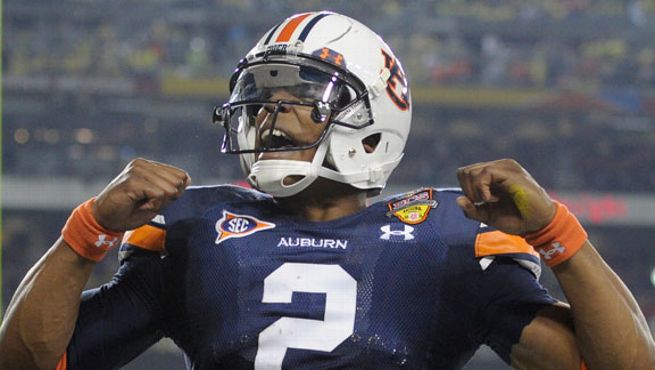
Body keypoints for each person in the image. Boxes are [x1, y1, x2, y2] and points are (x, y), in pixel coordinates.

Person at [1, 11, 654, 370]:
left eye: (301, 97)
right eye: (258, 99)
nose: (269, 114)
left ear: (375, 118)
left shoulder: (448, 238)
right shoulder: (195, 225)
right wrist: (88, 231)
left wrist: (557, 236)